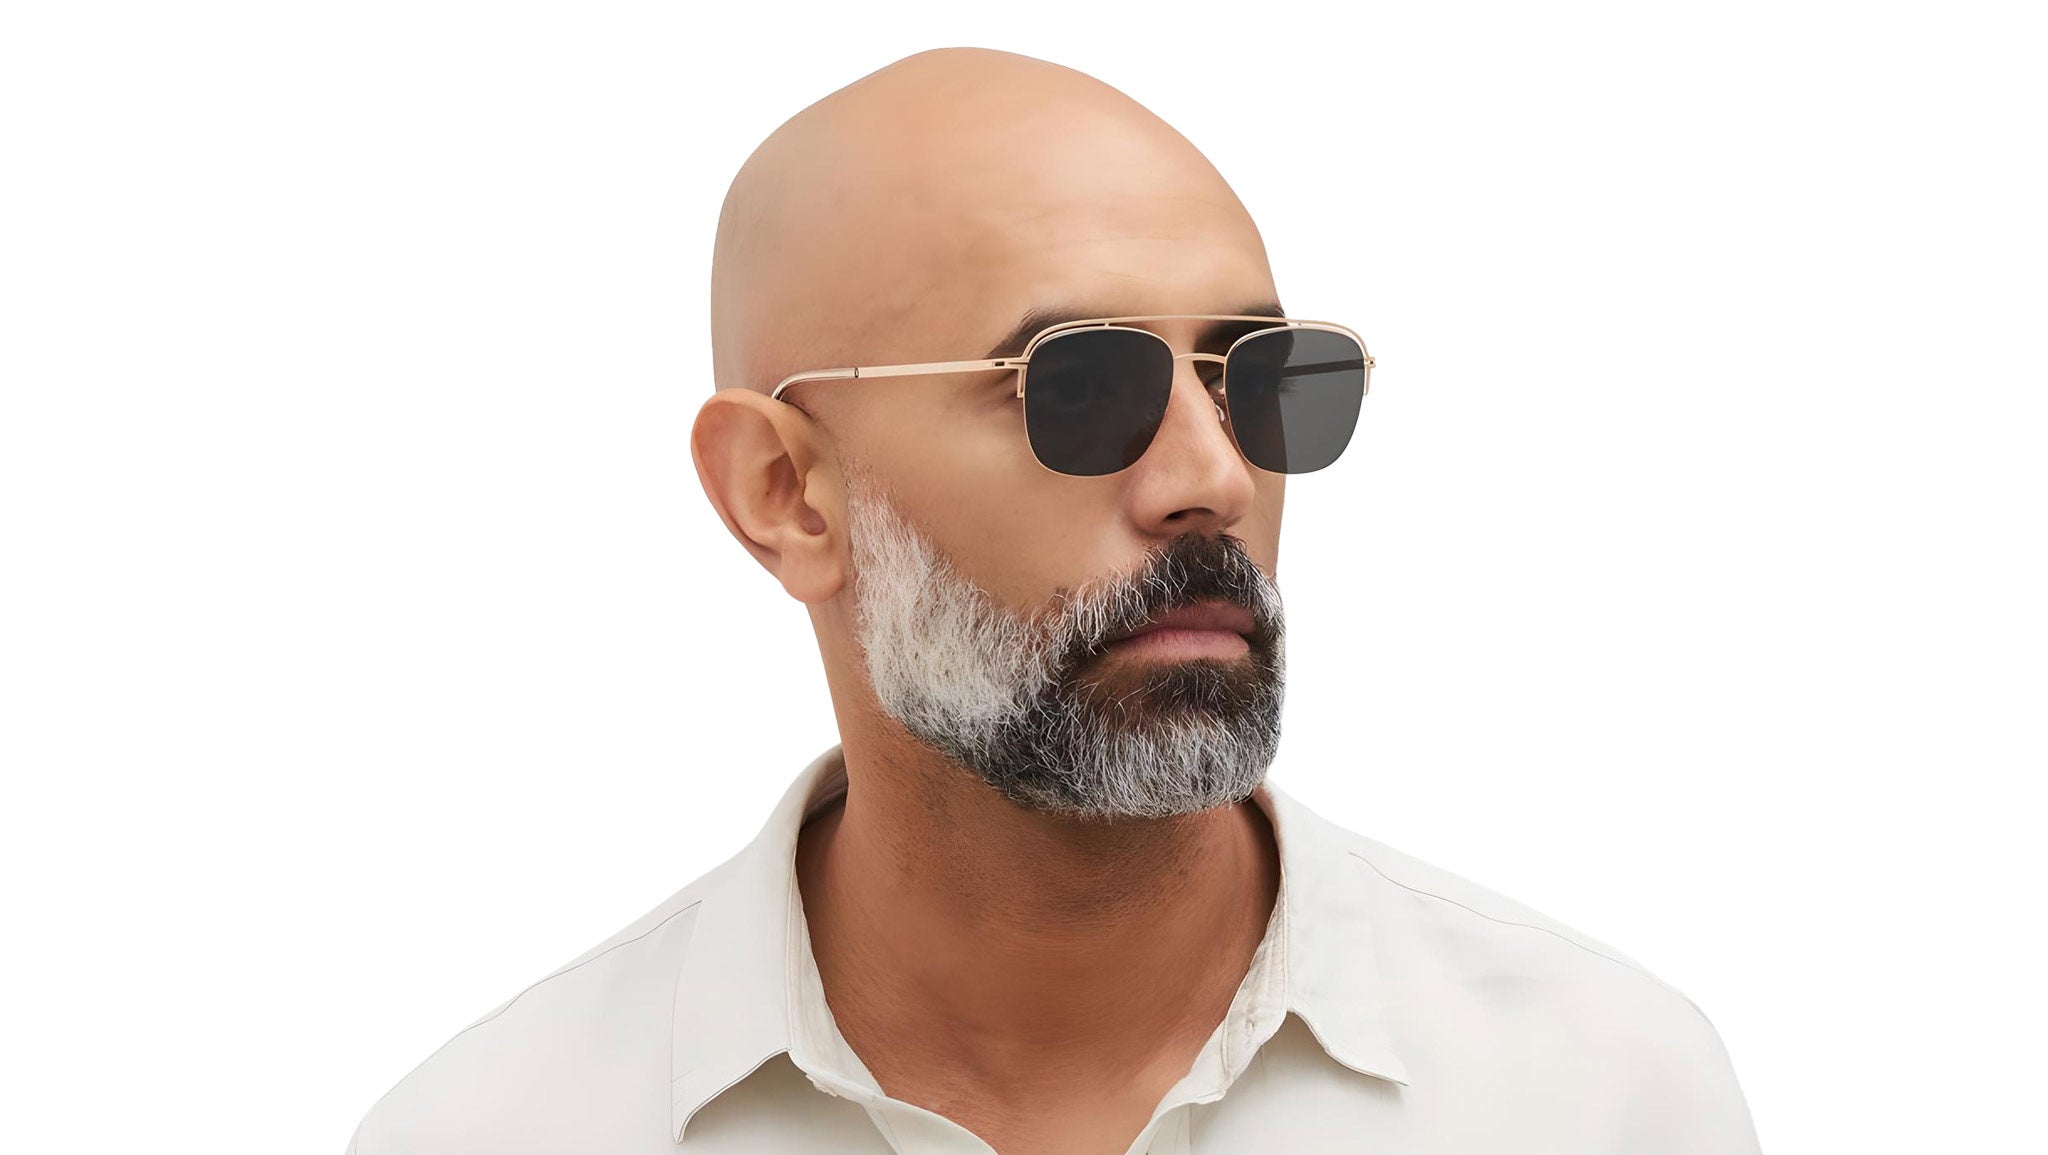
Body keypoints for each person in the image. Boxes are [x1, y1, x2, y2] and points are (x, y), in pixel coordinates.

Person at [347, 46, 1761, 1155]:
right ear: (786, 494)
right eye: (1080, 386)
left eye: (1261, 379)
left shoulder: (1596, 1099)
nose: (1214, 478)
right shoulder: (501, 1134)